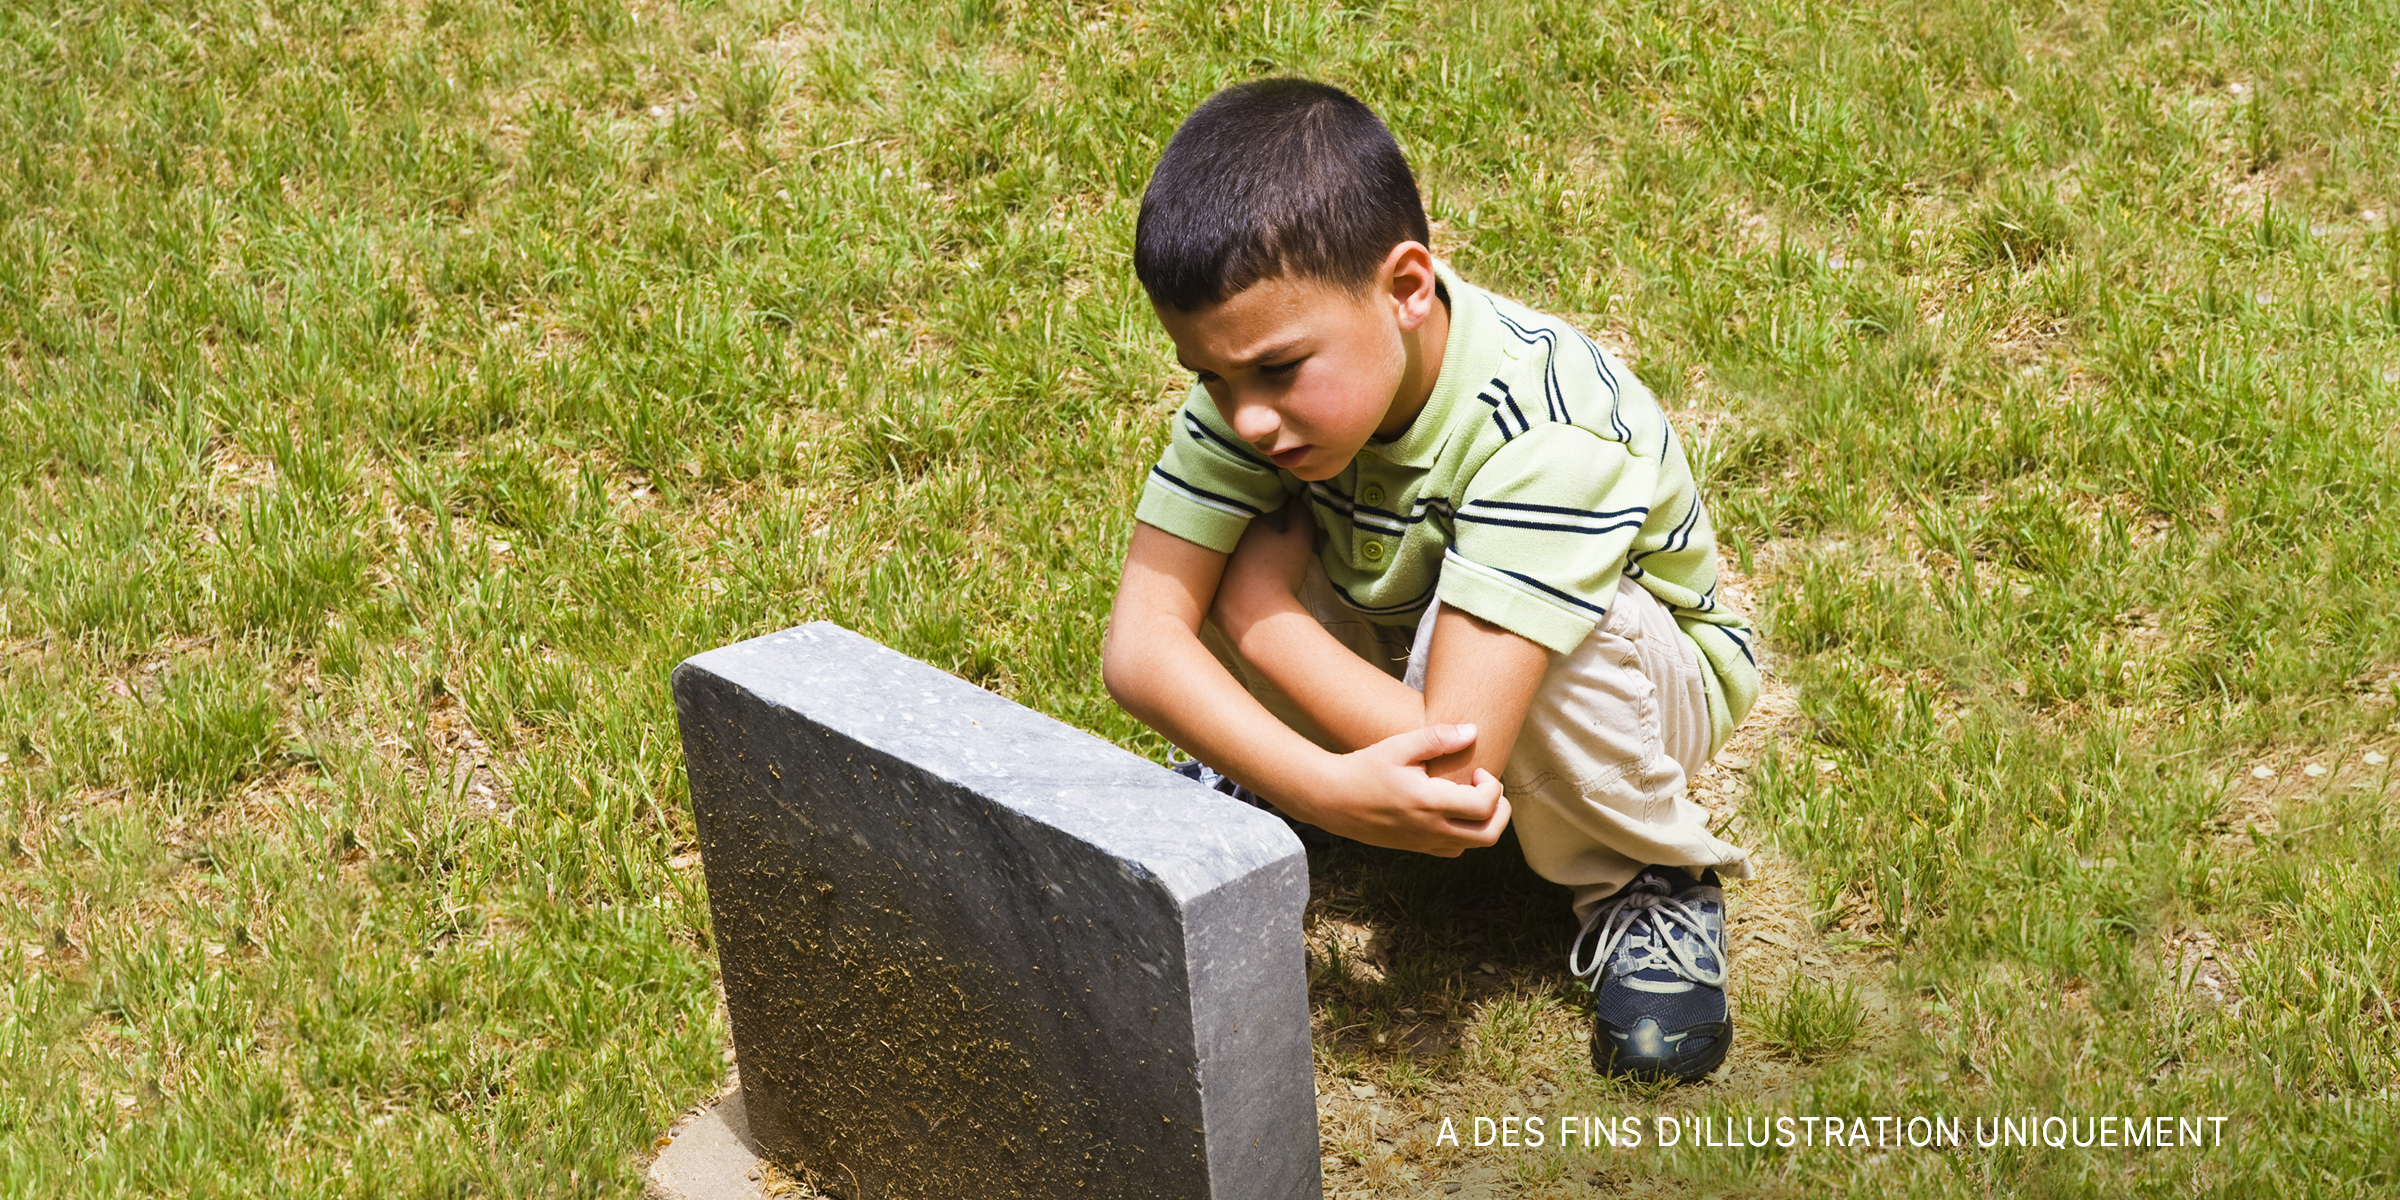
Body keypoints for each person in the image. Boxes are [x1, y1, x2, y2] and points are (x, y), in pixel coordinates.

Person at [1099, 77, 1760, 1084]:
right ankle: (1292, 789)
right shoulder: (1260, 393)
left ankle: (1646, 878)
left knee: (1560, 633)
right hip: (1413, 652)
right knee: (1248, 535)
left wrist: (1259, 613)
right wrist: (1319, 783)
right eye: (1211, 380)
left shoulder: (1545, 425)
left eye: (1278, 370)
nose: (1247, 420)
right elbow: (1140, 646)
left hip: (1615, 696)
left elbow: (1460, 767)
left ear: (1407, 287)